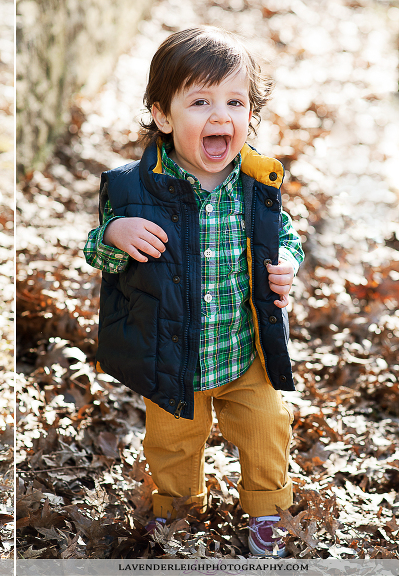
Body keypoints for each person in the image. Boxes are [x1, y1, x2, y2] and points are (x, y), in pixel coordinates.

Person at [83, 27, 304, 557]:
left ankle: (267, 515)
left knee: (267, 427)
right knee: (172, 446)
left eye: (235, 101)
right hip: (173, 355)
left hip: (242, 348)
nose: (220, 115)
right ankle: (180, 516)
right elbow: (98, 254)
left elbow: (287, 236)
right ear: (162, 116)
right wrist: (116, 234)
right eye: (200, 101)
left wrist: (288, 264)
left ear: (251, 114)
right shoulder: (137, 188)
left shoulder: (257, 183)